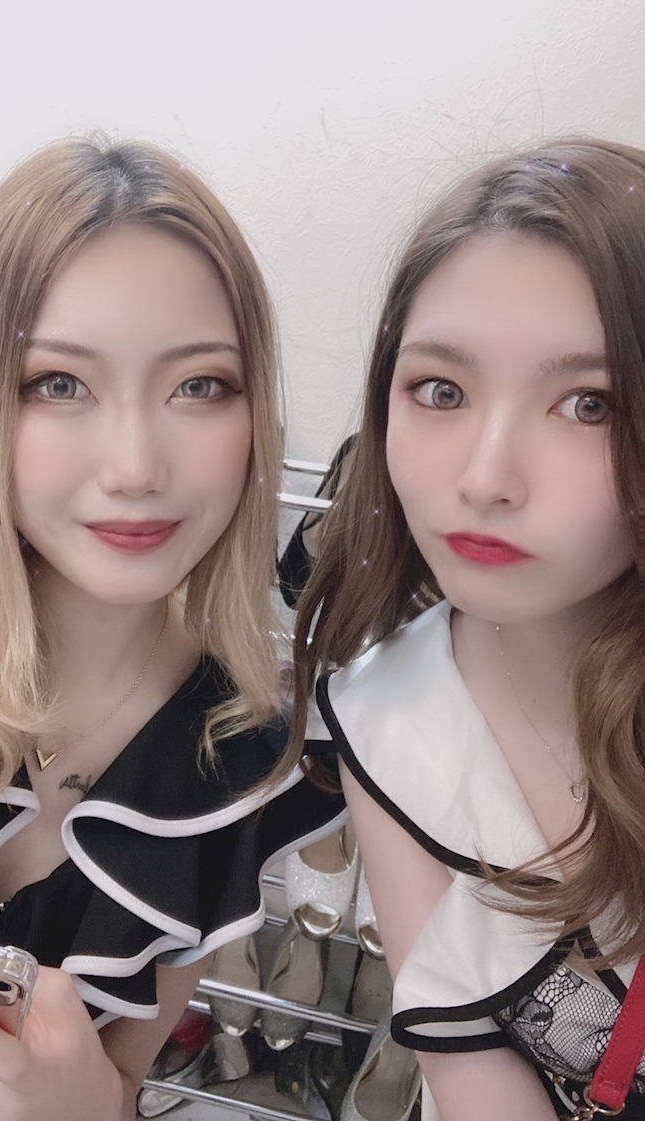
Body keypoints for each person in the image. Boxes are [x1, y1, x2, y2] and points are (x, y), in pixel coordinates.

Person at [0, 138, 345, 1120]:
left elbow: (120, 1082)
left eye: (199, 385)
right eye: (59, 383)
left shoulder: (244, 763)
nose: (135, 465)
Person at [284, 138, 644, 1119]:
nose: (486, 477)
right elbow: (471, 1065)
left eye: (588, 404)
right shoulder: (385, 713)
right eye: (441, 390)